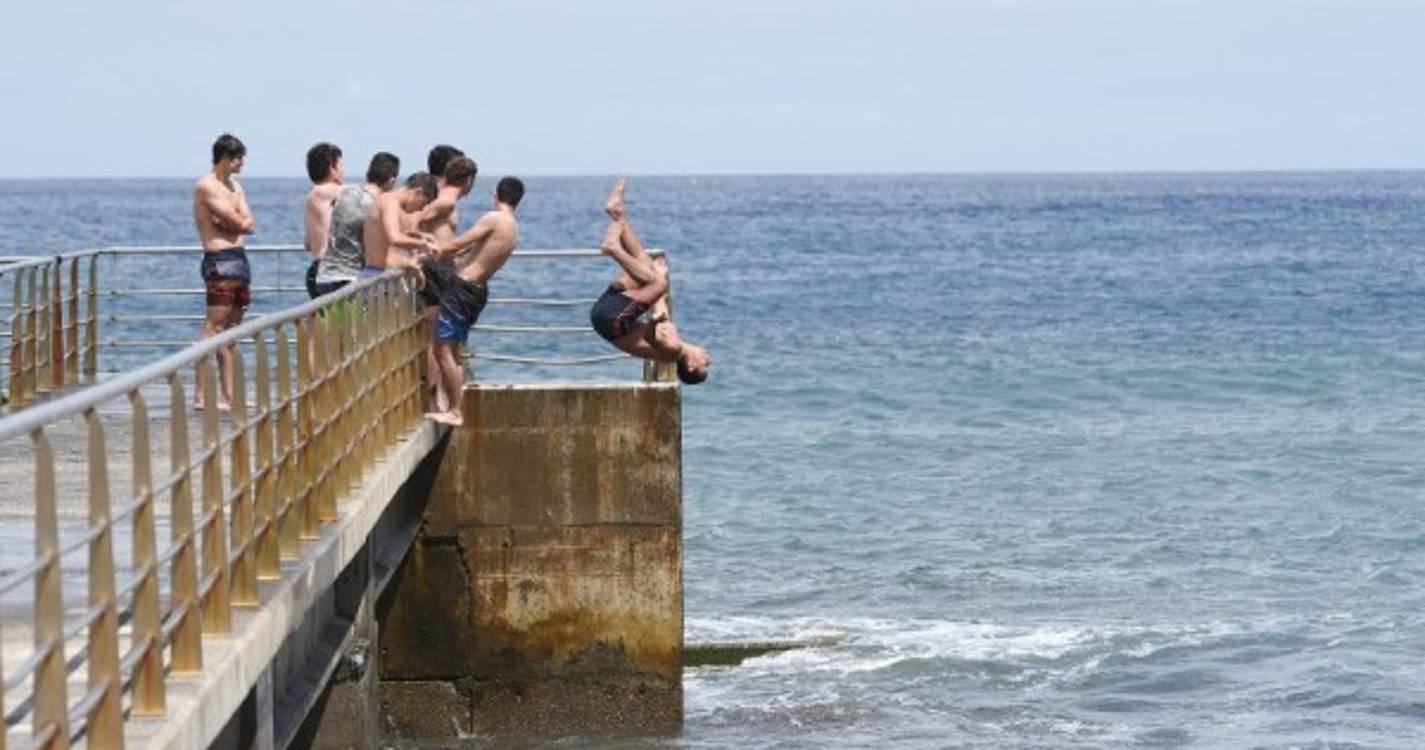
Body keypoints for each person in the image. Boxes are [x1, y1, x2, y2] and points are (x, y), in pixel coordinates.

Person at [424, 176, 525, 426]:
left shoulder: (494, 219)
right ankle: (451, 405)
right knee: (453, 349)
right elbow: (476, 253)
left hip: (462, 289)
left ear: (496, 193)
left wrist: (431, 252)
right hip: (475, 290)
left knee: (442, 348)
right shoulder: (512, 227)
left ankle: (455, 410)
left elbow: (460, 243)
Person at [589, 179, 711, 384]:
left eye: (705, 364)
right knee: (647, 266)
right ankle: (617, 214)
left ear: (691, 365)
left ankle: (613, 248)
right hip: (609, 318)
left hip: (612, 321)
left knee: (659, 282)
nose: (709, 359)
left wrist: (653, 321)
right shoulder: (676, 345)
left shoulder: (673, 352)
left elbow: (650, 339)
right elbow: (659, 304)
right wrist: (659, 276)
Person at [192, 133, 256, 410]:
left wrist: (235, 223)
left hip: (239, 260)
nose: (242, 164)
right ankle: (200, 394)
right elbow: (237, 220)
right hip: (219, 259)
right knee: (213, 329)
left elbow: (248, 223)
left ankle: (229, 394)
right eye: (239, 159)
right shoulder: (206, 186)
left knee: (231, 331)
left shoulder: (235, 186)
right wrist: (235, 222)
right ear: (225, 159)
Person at [416, 153, 477, 411]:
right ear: (469, 180)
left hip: (444, 267)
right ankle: (434, 399)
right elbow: (416, 221)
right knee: (436, 337)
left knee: (443, 338)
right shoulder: (445, 201)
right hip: (437, 270)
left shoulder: (446, 200)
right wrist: (426, 247)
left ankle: (439, 394)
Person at [313, 151, 399, 296]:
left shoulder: (343, 194)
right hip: (351, 279)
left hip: (324, 278)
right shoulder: (377, 205)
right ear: (391, 181)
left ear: (368, 173)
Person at [362, 172, 438, 279]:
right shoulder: (390, 201)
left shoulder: (392, 203)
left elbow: (384, 237)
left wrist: (419, 236)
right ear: (418, 192)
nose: (422, 209)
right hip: (376, 275)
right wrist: (424, 244)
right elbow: (395, 238)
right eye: (424, 203)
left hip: (380, 273)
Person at [302, 142, 344, 299]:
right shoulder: (326, 191)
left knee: (322, 321)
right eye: (341, 165)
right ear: (332, 168)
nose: (343, 170)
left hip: (319, 268)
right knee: (339, 322)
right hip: (330, 272)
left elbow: (307, 243)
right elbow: (368, 192)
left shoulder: (313, 197)